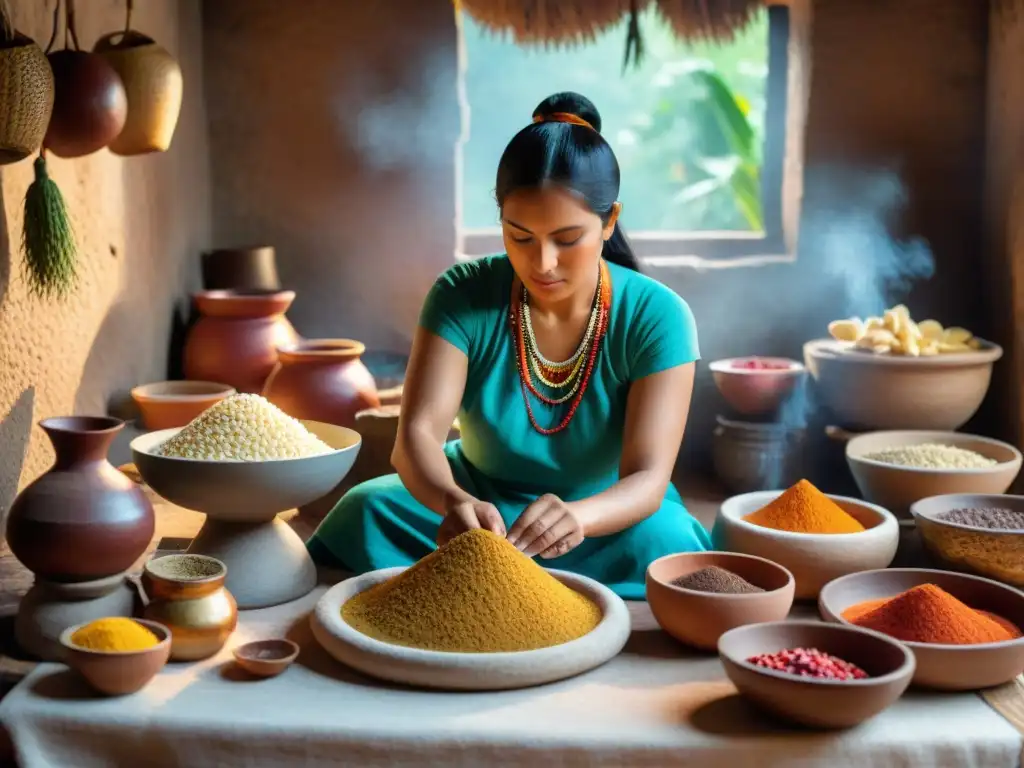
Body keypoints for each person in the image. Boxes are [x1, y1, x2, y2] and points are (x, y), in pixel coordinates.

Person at [306, 91, 710, 599]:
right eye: (520, 237)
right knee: (366, 509)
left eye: (567, 239)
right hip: (478, 510)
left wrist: (579, 517)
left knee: (668, 540)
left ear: (609, 222)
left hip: (601, 516)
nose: (542, 263)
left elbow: (648, 480)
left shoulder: (658, 315)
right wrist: (452, 501)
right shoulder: (461, 293)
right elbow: (417, 439)